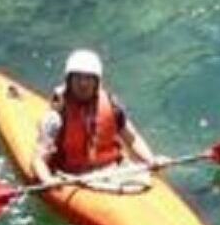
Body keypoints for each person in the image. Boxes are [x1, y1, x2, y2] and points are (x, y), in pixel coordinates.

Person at [35, 49, 161, 180]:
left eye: (88, 78)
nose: (83, 83)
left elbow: (132, 139)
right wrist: (48, 181)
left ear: (97, 81)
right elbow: (39, 159)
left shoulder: (112, 105)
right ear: (69, 80)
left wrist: (151, 160)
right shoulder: (56, 115)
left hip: (113, 170)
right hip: (71, 175)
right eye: (78, 77)